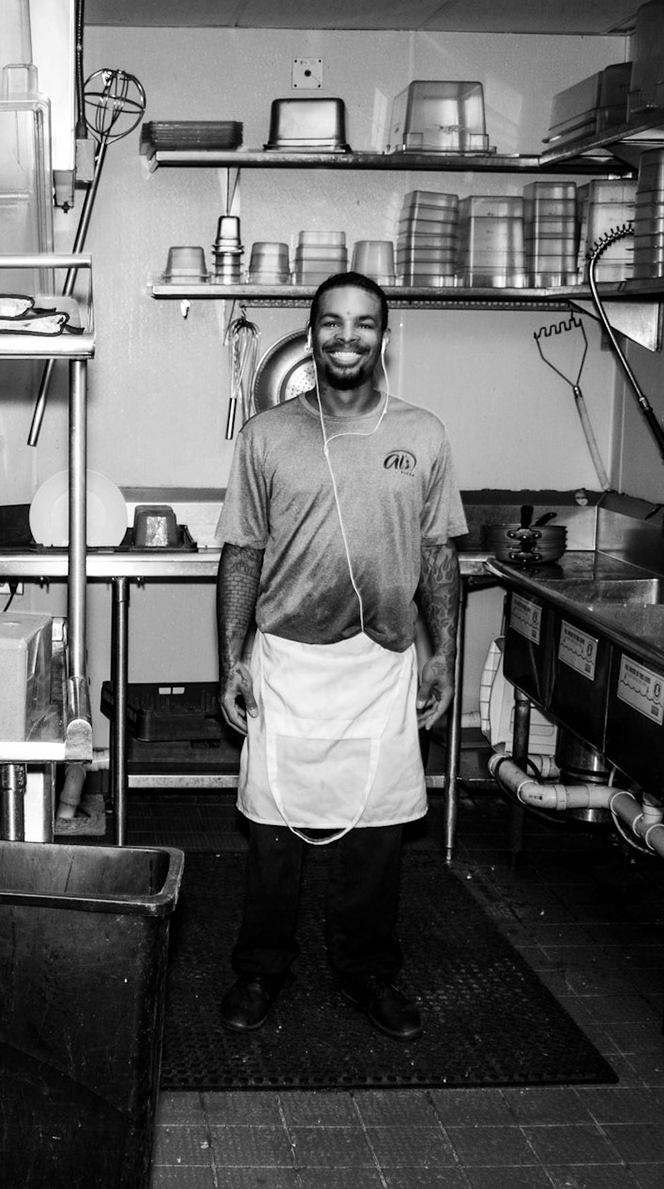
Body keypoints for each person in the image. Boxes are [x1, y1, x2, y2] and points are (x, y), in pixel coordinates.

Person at [213, 270, 466, 1041]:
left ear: (383, 339)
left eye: (363, 323)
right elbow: (242, 555)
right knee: (271, 833)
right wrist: (231, 659)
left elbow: (439, 553)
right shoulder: (266, 437)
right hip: (289, 661)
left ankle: (368, 972)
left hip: (380, 661)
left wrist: (443, 653)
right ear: (311, 333)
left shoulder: (422, 434)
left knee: (378, 834)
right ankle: (261, 969)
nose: (346, 336)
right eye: (331, 322)